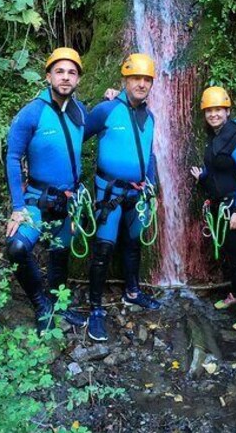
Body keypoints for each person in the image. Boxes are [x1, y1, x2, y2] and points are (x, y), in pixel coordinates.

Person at [4, 47, 89, 334]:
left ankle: (59, 304)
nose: (66, 77)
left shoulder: (80, 111)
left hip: (68, 200)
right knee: (16, 247)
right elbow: (13, 156)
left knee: (60, 252)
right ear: (48, 75)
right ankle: (42, 305)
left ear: (78, 79)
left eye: (72, 72)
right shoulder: (32, 113)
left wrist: (116, 96)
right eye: (60, 71)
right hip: (36, 200)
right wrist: (17, 207)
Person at [84, 53, 162, 342]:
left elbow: (149, 154)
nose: (141, 84)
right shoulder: (106, 110)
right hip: (109, 193)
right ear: (125, 80)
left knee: (133, 244)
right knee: (104, 248)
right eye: (135, 78)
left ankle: (132, 292)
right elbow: (77, 137)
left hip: (138, 193)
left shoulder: (149, 116)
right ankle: (95, 309)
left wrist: (151, 184)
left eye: (146, 79)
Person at [190, 87, 236, 331]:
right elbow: (219, 167)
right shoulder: (215, 136)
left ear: (228, 111)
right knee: (230, 253)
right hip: (221, 205)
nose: (213, 114)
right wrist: (204, 176)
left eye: (218, 109)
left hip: (235, 205)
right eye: (209, 110)